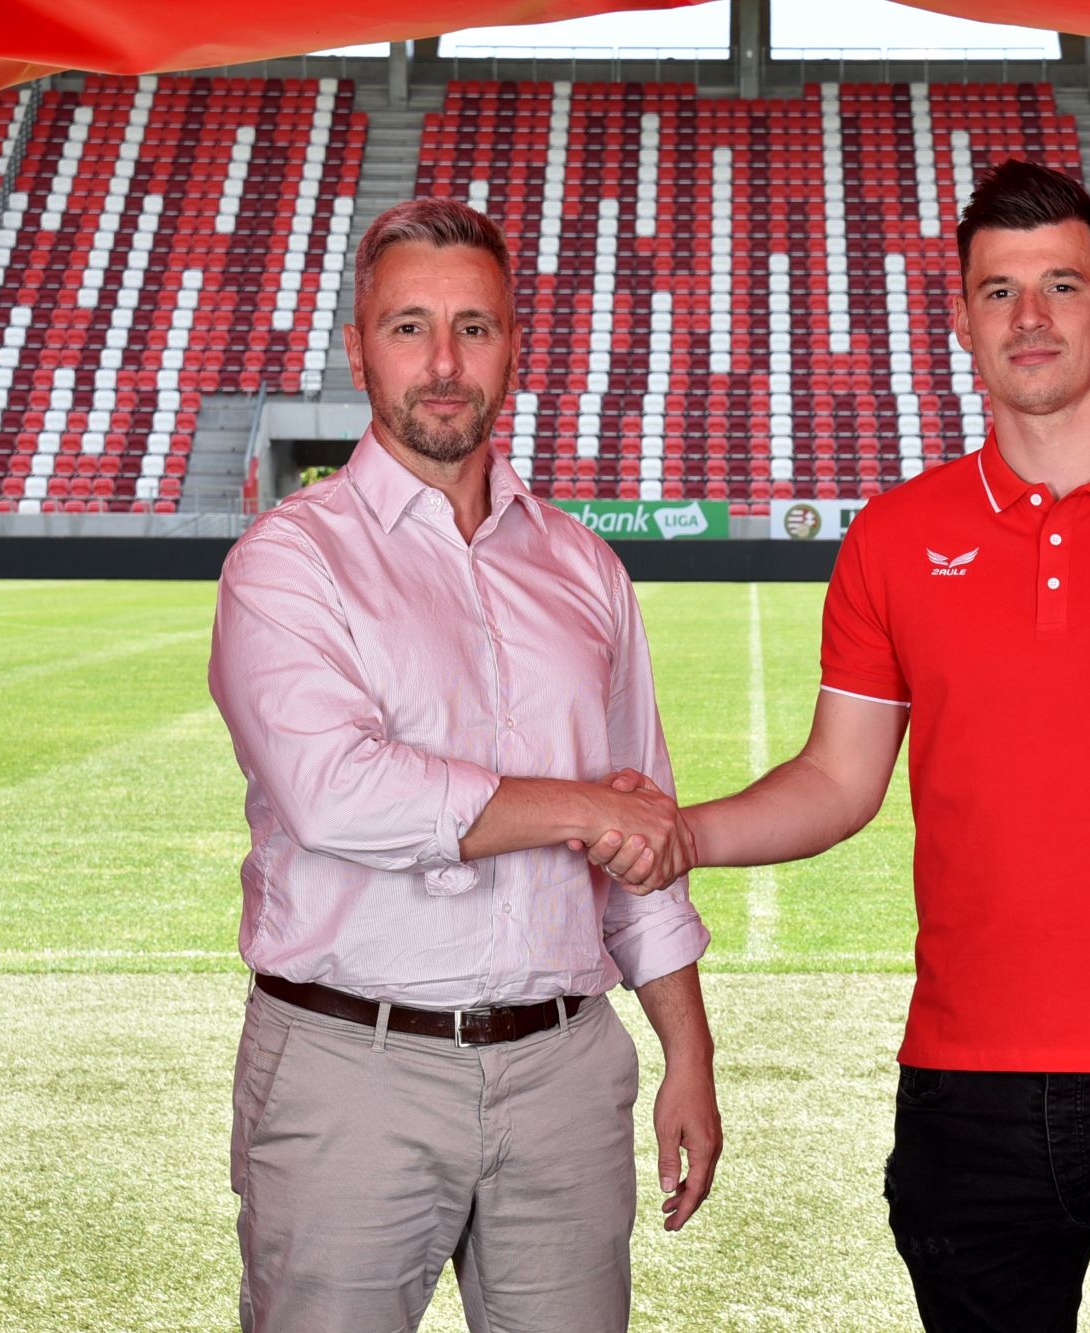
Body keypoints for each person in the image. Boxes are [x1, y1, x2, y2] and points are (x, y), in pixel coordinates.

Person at [592, 159, 1090, 1330]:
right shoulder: (894, 536)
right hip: (966, 1089)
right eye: (998, 290)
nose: (1029, 316)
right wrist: (678, 836)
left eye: (1060, 285)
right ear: (960, 318)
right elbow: (837, 779)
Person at [208, 197, 720, 1333]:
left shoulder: (584, 567)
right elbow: (337, 790)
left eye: (473, 328)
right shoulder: (290, 560)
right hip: (352, 1067)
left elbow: (641, 833)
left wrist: (687, 1050)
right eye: (410, 327)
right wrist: (577, 808)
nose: (443, 363)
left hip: (564, 1070)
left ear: (513, 347)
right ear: (359, 350)